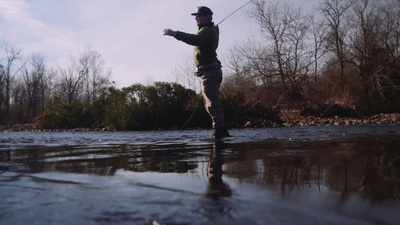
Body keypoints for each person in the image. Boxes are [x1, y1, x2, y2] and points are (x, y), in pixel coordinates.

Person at [163, 6, 230, 138]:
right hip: (209, 71)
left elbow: (195, 39)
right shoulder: (209, 30)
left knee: (212, 105)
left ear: (207, 16)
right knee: (211, 104)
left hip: (210, 72)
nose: (196, 18)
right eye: (196, 16)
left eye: (199, 16)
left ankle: (219, 135)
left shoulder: (206, 31)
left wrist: (175, 34)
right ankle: (222, 134)